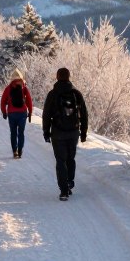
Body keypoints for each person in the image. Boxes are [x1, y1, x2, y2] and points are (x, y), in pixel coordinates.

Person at [41, 67, 89, 201]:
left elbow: (46, 114)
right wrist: (83, 132)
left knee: (60, 161)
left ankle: (63, 191)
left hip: (58, 133)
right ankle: (69, 182)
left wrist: (46, 131)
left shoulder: (53, 94)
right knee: (70, 159)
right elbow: (84, 113)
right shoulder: (76, 93)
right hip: (73, 132)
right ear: (69, 77)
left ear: (57, 77)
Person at [0, 69, 33, 159]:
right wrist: (30, 112)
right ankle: (20, 150)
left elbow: (3, 101)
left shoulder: (8, 88)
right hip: (22, 113)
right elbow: (29, 100)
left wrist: (3, 111)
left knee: (13, 132)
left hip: (12, 113)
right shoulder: (24, 87)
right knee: (21, 133)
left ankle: (14, 151)